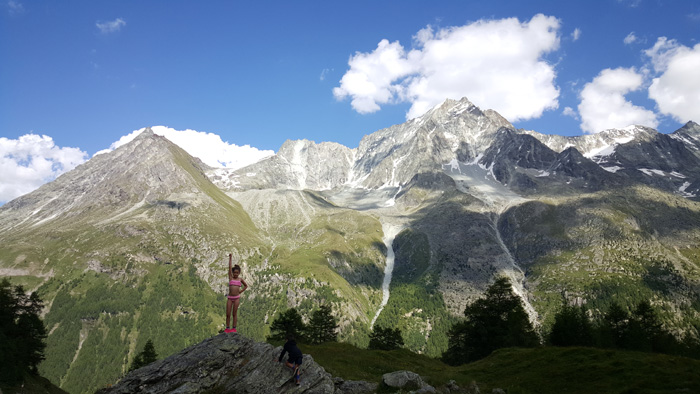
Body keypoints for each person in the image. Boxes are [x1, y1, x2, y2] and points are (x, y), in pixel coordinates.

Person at [225, 253, 248, 333]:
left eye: (237, 273)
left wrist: (240, 292)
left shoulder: (240, 279)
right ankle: (227, 328)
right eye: (234, 272)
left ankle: (234, 328)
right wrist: (230, 258)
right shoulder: (230, 277)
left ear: (239, 273)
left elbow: (246, 286)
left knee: (234, 313)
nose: (235, 274)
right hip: (230, 298)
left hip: (236, 298)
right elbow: (229, 267)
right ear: (232, 272)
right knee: (228, 313)